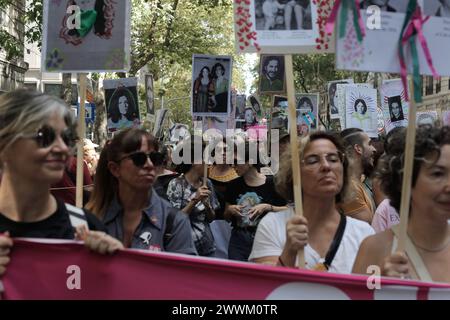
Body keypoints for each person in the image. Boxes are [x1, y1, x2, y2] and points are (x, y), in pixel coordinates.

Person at [0, 90, 123, 277]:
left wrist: (118, 267)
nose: (62, 148)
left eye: (66, 138)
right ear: (5, 145)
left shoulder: (87, 227)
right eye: (44, 136)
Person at [249, 131, 375, 272]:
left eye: (333, 159)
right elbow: (264, 289)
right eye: (313, 160)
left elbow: (370, 290)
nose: (326, 166)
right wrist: (289, 252)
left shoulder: (364, 235)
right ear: (295, 174)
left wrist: (390, 278)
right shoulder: (272, 226)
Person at [352, 125, 450, 283]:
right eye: (437, 174)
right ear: (405, 181)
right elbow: (358, 294)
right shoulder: (374, 249)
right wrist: (379, 285)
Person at [85, 128, 197, 254]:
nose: (149, 165)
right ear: (115, 169)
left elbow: (184, 273)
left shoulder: (174, 222)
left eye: (155, 158)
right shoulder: (91, 219)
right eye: (138, 158)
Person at [225, 140, 287, 261]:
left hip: (265, 239)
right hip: (239, 240)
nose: (233, 166)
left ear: (250, 162)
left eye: (236, 162)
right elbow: (226, 215)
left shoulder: (272, 183)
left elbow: (289, 209)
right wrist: (230, 210)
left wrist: (268, 207)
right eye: (231, 162)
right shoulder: (233, 185)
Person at [166, 138, 220, 257]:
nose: (210, 163)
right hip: (184, 249)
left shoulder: (207, 183)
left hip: (207, 246)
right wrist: (195, 200)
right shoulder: (176, 184)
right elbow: (175, 220)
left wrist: (207, 206)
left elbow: (211, 218)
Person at [338, 128, 377, 224]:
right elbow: (369, 229)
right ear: (358, 148)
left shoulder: (356, 182)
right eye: (369, 144)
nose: (374, 149)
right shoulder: (350, 189)